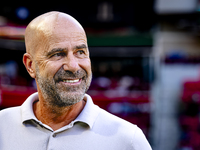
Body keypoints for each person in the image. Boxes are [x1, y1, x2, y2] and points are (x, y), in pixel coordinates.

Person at [0, 11, 152, 150]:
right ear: (30, 65)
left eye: (80, 52)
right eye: (58, 54)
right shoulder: (2, 127)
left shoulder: (128, 140)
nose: (73, 66)